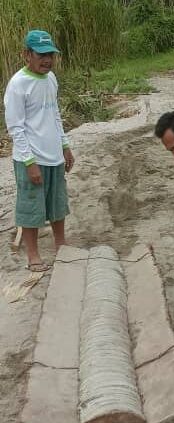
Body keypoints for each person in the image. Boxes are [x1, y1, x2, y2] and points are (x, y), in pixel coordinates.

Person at [4, 30, 75, 272]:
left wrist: (65, 146)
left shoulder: (51, 79)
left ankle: (61, 244)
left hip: (54, 154)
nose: (47, 60)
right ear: (27, 55)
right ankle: (33, 255)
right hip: (31, 157)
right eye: (41, 55)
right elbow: (15, 128)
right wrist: (29, 162)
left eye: (50, 55)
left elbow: (54, 114)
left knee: (57, 202)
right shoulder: (18, 85)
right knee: (31, 206)